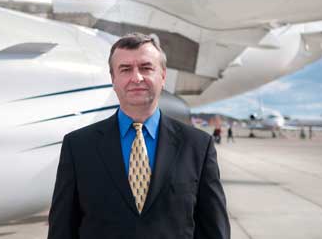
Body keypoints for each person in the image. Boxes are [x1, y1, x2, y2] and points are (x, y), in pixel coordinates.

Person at [48, 32, 230, 239]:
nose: (136, 77)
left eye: (146, 67)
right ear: (113, 79)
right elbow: (62, 230)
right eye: (125, 69)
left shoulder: (198, 146)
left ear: (162, 77)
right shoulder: (78, 146)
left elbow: (214, 229)